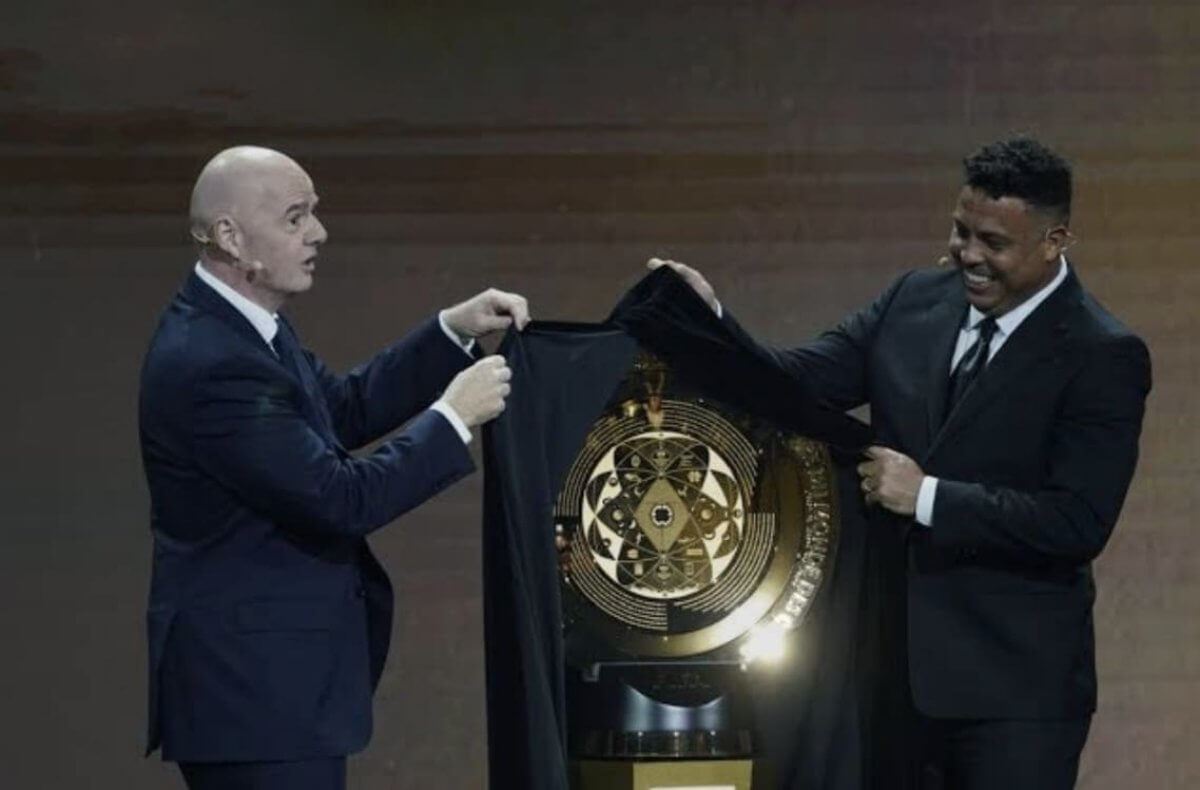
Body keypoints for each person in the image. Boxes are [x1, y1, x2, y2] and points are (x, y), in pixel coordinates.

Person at [651, 136, 1151, 790]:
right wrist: (709, 320)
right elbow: (799, 383)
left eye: (994, 243)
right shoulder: (914, 299)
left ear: (1054, 241)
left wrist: (927, 497)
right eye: (961, 231)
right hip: (894, 682)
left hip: (1015, 699)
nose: (969, 255)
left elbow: (1076, 521)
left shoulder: (1101, 354)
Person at [138, 145, 529, 790]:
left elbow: (341, 409)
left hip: (271, 695)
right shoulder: (211, 362)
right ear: (231, 237)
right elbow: (339, 498)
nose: (318, 233)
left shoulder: (246, 328)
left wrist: (451, 333)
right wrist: (454, 418)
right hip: (252, 700)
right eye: (296, 218)